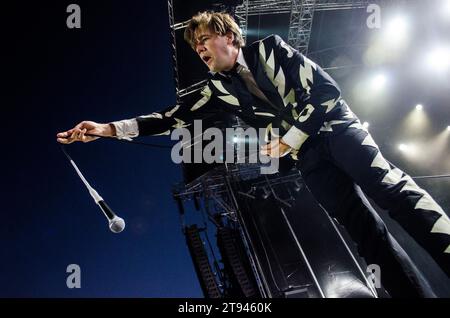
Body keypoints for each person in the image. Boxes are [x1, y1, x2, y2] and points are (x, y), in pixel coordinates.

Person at [57, 11, 449, 296]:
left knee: (389, 190)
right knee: (362, 229)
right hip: (309, 159)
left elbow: (327, 93)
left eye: (204, 40)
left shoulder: (273, 50)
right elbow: (168, 118)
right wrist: (107, 130)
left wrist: (287, 140)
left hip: (336, 128)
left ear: (230, 37)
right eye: (194, 47)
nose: (199, 49)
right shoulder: (215, 90)